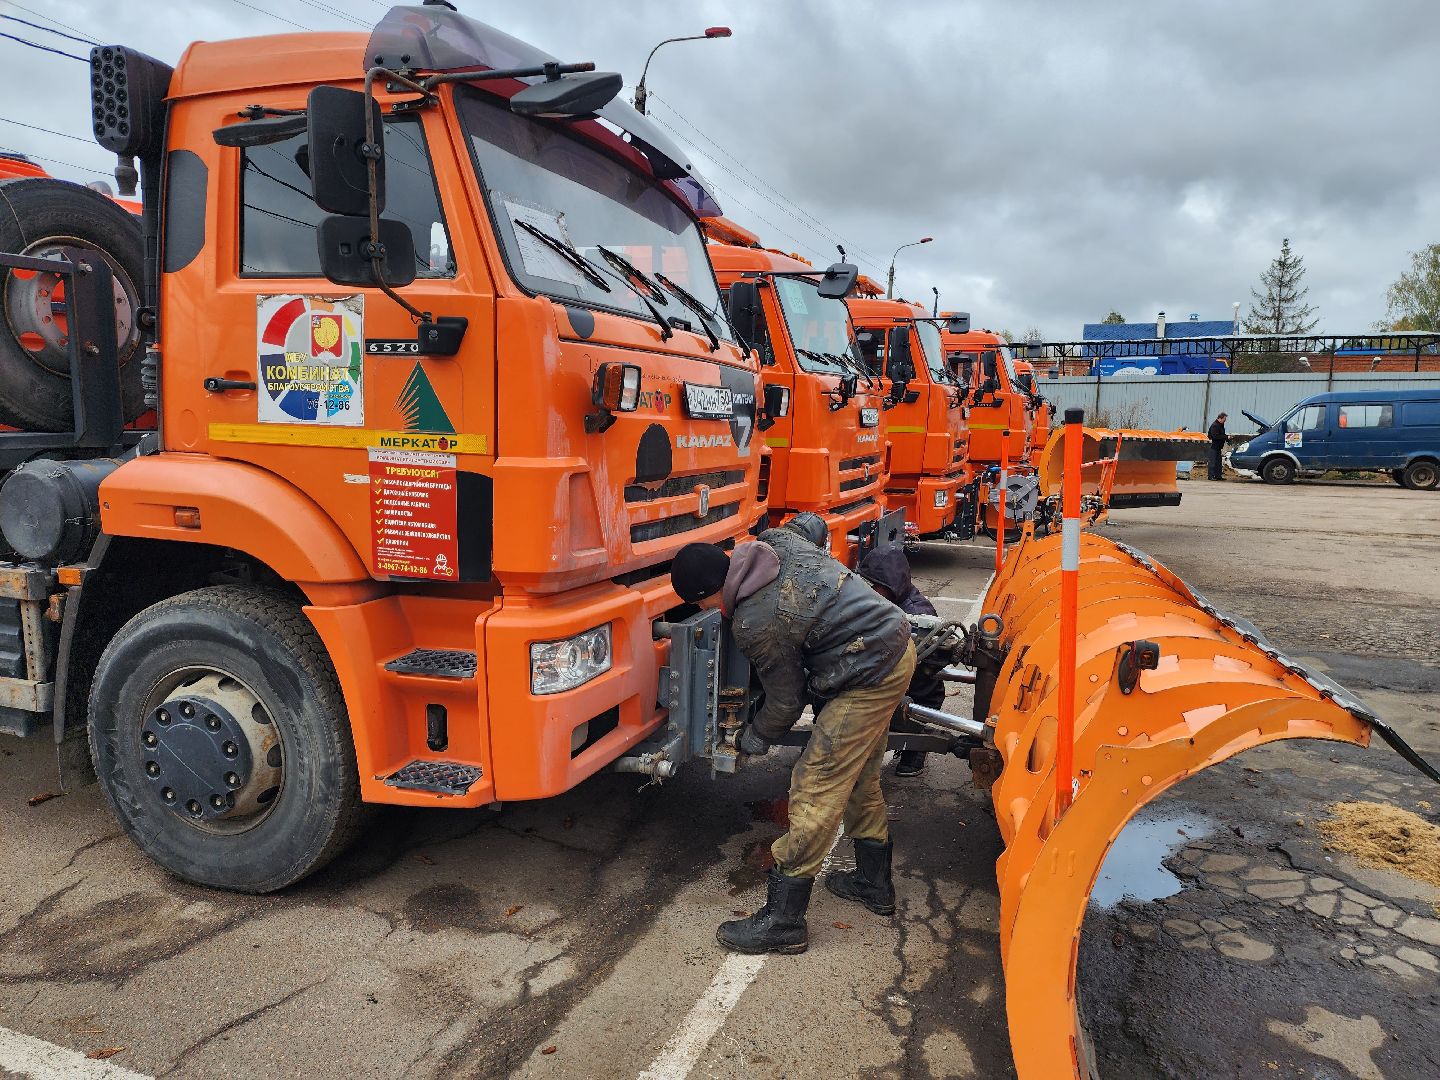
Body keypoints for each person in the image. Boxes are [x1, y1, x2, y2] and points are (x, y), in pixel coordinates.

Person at [670, 529, 917, 955]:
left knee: (815, 785)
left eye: (699, 603)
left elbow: (786, 703)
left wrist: (751, 739)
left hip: (867, 674)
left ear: (710, 592)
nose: (704, 610)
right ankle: (873, 885)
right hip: (895, 645)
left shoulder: (754, 622)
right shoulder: (775, 542)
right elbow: (812, 525)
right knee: (859, 777)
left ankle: (784, 922)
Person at [856, 545, 945, 777]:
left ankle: (915, 745)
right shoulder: (873, 603)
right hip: (882, 676)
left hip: (917, 691)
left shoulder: (920, 616)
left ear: (891, 587)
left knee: (911, 703)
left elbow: (926, 668)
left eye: (875, 586)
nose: (870, 591)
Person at [1207, 412, 1228, 480]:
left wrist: (1226, 437)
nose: (1225, 420)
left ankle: (1218, 476)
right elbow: (1215, 437)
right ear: (1220, 418)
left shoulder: (1220, 425)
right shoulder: (1215, 425)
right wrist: (1226, 437)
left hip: (1218, 447)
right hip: (1214, 447)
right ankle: (1211, 476)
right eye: (1224, 419)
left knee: (1218, 463)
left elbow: (1221, 434)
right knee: (1212, 462)